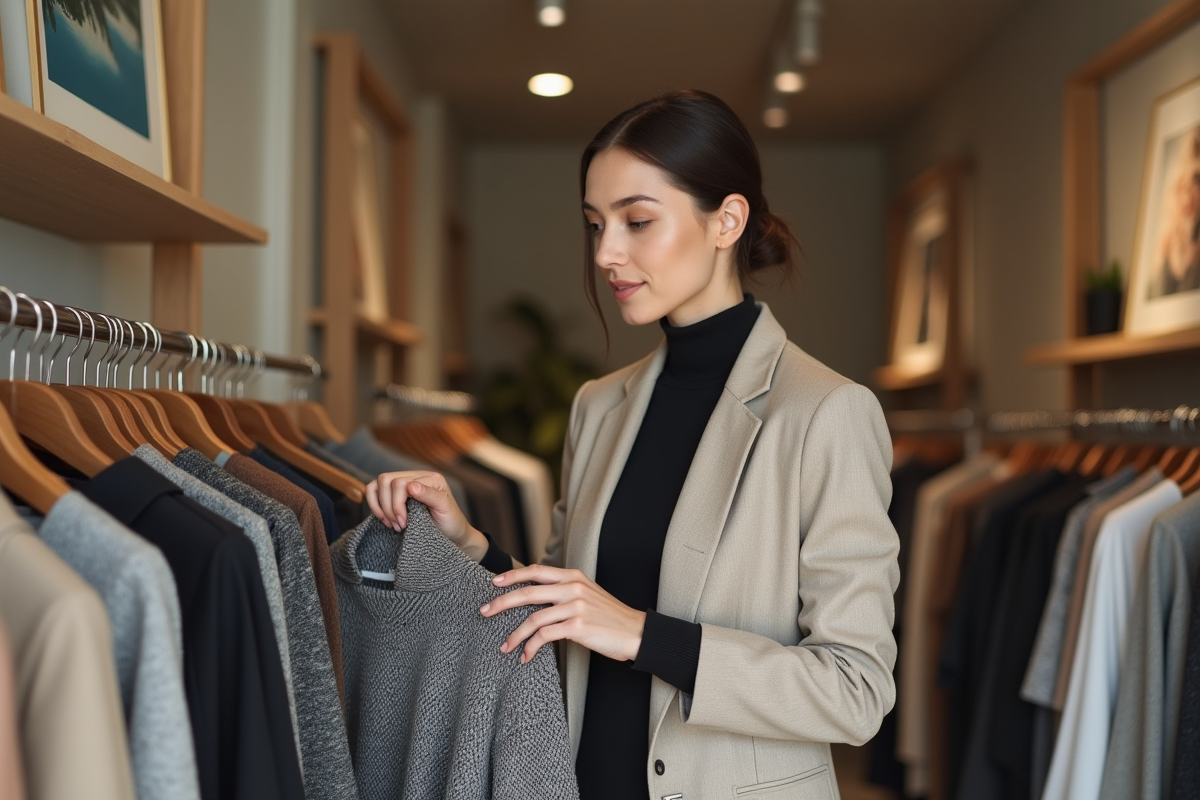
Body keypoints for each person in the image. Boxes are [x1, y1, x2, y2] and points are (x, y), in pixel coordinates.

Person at [366, 90, 900, 799]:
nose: (606, 253)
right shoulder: (598, 405)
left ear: (727, 220)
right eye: (595, 224)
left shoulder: (827, 412)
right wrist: (471, 547)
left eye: (637, 221)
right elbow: (570, 610)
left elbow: (857, 690)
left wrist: (644, 637)